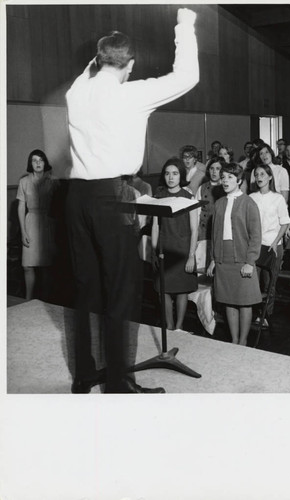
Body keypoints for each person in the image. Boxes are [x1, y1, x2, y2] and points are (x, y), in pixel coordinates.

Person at [65, 8, 199, 393]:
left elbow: (96, 66)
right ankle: (119, 386)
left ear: (98, 59)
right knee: (122, 291)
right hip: (113, 197)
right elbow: (188, 76)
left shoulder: (78, 91)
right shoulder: (131, 95)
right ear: (131, 65)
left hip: (76, 197)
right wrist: (185, 25)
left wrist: (104, 53)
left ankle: (85, 376)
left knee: (85, 291)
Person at [207, 163, 262, 346]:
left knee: (244, 302)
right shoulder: (219, 203)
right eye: (223, 177)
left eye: (230, 177)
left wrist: (250, 261)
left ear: (239, 180)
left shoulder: (248, 203)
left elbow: (256, 235)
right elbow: (214, 234)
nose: (225, 180)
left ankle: (243, 342)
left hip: (243, 258)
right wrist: (214, 260)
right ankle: (234, 340)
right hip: (224, 259)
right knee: (228, 300)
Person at [151, 158, 198, 331]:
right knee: (164, 290)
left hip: (183, 249)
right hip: (165, 248)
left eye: (175, 173)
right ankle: (169, 325)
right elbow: (155, 226)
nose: (171, 177)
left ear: (181, 175)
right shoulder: (159, 197)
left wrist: (191, 255)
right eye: (167, 173)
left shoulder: (188, 197)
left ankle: (179, 326)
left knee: (181, 290)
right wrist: (155, 250)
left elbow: (194, 229)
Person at [17, 149, 58, 300]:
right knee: (27, 265)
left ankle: (47, 301)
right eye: (34, 160)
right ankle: (28, 299)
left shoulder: (53, 181)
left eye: (41, 160)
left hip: (48, 223)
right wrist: (23, 232)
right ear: (30, 163)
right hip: (30, 222)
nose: (38, 163)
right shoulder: (24, 182)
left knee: (47, 266)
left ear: (45, 162)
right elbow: (21, 206)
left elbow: (59, 205)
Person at [250, 164, 290, 317]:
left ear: (270, 177)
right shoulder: (251, 197)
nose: (259, 177)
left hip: (272, 246)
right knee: (254, 282)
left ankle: (266, 315)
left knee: (269, 284)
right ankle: (254, 313)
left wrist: (275, 242)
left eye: (262, 174)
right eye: (257, 174)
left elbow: (285, 222)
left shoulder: (278, 198)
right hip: (255, 245)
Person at [195, 156, 225, 269]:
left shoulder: (225, 188)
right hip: (203, 232)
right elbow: (196, 212)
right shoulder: (202, 188)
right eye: (212, 168)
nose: (214, 171)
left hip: (220, 234)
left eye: (218, 168)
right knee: (202, 265)